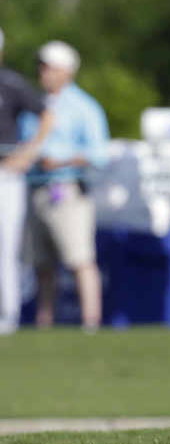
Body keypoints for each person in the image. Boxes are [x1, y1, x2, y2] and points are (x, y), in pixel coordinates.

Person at [27, 40, 109, 332]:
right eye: (42, 67)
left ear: (66, 71)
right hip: (34, 187)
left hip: (68, 188)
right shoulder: (34, 102)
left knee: (79, 258)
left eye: (50, 68)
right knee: (41, 264)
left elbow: (100, 154)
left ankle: (90, 320)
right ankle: (44, 321)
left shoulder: (84, 107)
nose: (43, 73)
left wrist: (60, 162)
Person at [0, 27, 54, 334]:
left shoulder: (10, 83)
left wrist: (27, 153)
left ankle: (7, 315)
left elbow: (47, 116)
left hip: (7, 175)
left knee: (6, 246)